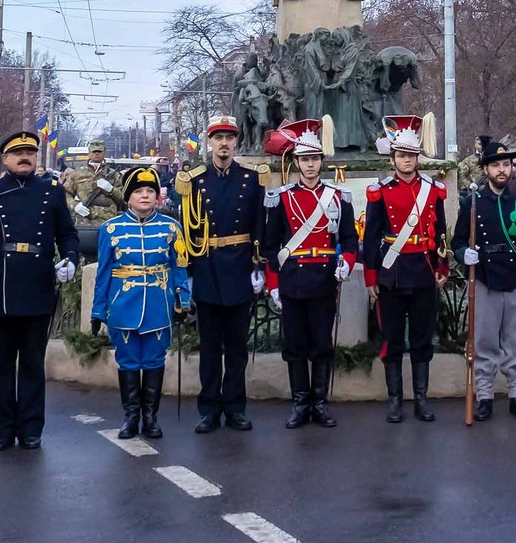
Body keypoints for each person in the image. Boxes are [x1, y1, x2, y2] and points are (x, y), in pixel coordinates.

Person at [0, 129, 81, 450]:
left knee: (31, 363)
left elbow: (67, 234)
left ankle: (30, 428)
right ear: (5, 158)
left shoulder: (52, 192)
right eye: (18, 153)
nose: (25, 158)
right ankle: (1, 430)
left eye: (30, 152)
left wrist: (70, 258)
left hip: (38, 283)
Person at [264, 119, 357, 428]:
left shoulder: (338, 196)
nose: (310, 164)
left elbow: (349, 237)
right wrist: (273, 284)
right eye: (305, 159)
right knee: (294, 346)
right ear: (296, 162)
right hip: (292, 280)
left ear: (321, 161)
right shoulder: (282, 197)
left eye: (315, 158)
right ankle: (300, 403)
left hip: (323, 279)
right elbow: (271, 245)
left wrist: (347, 261)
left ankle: (320, 402)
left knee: (321, 344)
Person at [176, 114, 266, 433]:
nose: (224, 143)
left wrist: (259, 265)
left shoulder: (251, 178)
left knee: (237, 347)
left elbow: (259, 224)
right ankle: (209, 408)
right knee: (211, 347)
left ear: (236, 142)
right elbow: (186, 227)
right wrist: (187, 271)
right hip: (208, 266)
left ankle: (235, 408)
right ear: (209, 142)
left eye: (230, 137)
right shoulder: (196, 179)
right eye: (218, 138)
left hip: (240, 266)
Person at [361, 116, 448, 424]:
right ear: (393, 158)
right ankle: (395, 399)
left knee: (423, 338)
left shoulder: (433, 189)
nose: (407, 160)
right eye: (401, 155)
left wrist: (443, 266)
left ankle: (421, 399)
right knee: (393, 338)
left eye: (411, 155)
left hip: (423, 269)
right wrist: (370, 276)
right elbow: (371, 237)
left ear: (416, 158)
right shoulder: (380, 191)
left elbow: (441, 234)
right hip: (392, 272)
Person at [91, 164, 188, 440]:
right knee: (129, 361)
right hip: (124, 303)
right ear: (128, 197)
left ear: (157, 196)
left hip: (158, 302)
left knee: (155, 360)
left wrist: (183, 299)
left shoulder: (172, 227)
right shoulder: (111, 228)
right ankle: (131, 417)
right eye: (138, 191)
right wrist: (98, 310)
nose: (145, 196)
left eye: (150, 191)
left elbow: (179, 266)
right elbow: (103, 272)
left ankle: (151, 417)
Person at [457, 136, 516, 421]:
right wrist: (463, 254)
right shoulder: (472, 203)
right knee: (484, 342)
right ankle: (484, 396)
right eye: (496, 165)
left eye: (506, 164)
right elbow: (457, 240)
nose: (502, 170)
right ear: (486, 169)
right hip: (485, 278)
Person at [63, 140, 125, 260]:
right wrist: (75, 205)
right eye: (94, 151)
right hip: (84, 222)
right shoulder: (77, 173)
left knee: (109, 257)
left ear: (104, 153)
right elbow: (65, 194)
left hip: (108, 222)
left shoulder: (114, 175)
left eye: (99, 151)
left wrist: (111, 189)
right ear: (89, 153)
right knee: (83, 259)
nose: (97, 154)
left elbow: (125, 198)